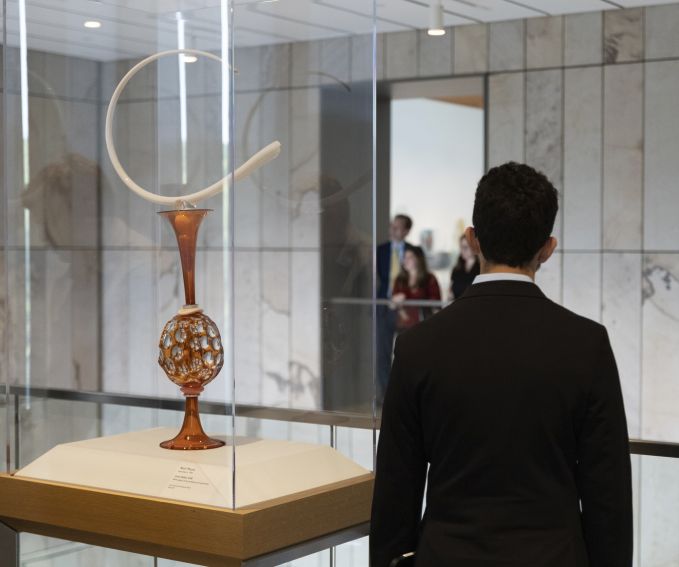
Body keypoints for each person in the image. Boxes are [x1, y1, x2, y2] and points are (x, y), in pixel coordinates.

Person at [371, 162, 632, 567]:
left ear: (473, 239)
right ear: (548, 248)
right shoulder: (587, 345)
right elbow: (608, 495)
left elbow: (395, 490)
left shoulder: (417, 346)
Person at [376, 215, 421, 401]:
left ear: (406, 231)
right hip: (385, 306)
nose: (393, 230)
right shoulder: (381, 250)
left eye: (398, 227)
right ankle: (387, 396)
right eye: (391, 226)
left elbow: (421, 278)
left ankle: (408, 396)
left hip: (407, 308)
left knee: (408, 353)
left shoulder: (414, 251)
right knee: (382, 353)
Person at [392, 247, 441, 331]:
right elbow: (392, 305)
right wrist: (395, 300)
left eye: (410, 257)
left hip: (424, 325)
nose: (405, 260)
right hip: (403, 326)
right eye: (404, 257)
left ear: (418, 259)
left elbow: (436, 305)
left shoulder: (429, 278)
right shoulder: (399, 280)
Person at [449, 234, 480, 299]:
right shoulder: (456, 269)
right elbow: (451, 292)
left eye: (465, 247)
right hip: (458, 306)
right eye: (461, 247)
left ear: (473, 247)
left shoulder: (480, 268)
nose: (462, 250)